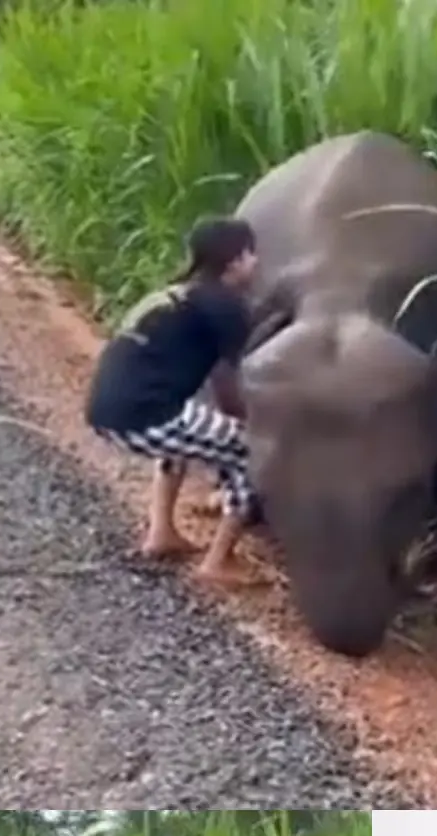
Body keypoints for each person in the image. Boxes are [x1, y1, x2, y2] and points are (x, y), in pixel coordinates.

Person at [84, 214, 260, 582]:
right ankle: (218, 562)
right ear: (236, 260)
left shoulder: (178, 292)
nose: (257, 263)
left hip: (106, 409)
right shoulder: (225, 305)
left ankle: (160, 533)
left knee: (183, 434)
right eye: (252, 253)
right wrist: (248, 425)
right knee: (253, 451)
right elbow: (231, 379)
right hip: (145, 416)